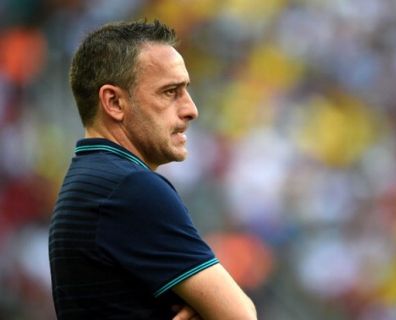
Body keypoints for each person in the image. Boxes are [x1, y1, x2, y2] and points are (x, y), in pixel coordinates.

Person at [48, 20, 257, 320]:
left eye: (186, 90)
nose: (191, 109)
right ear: (114, 102)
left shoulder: (88, 183)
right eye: (170, 92)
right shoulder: (130, 188)